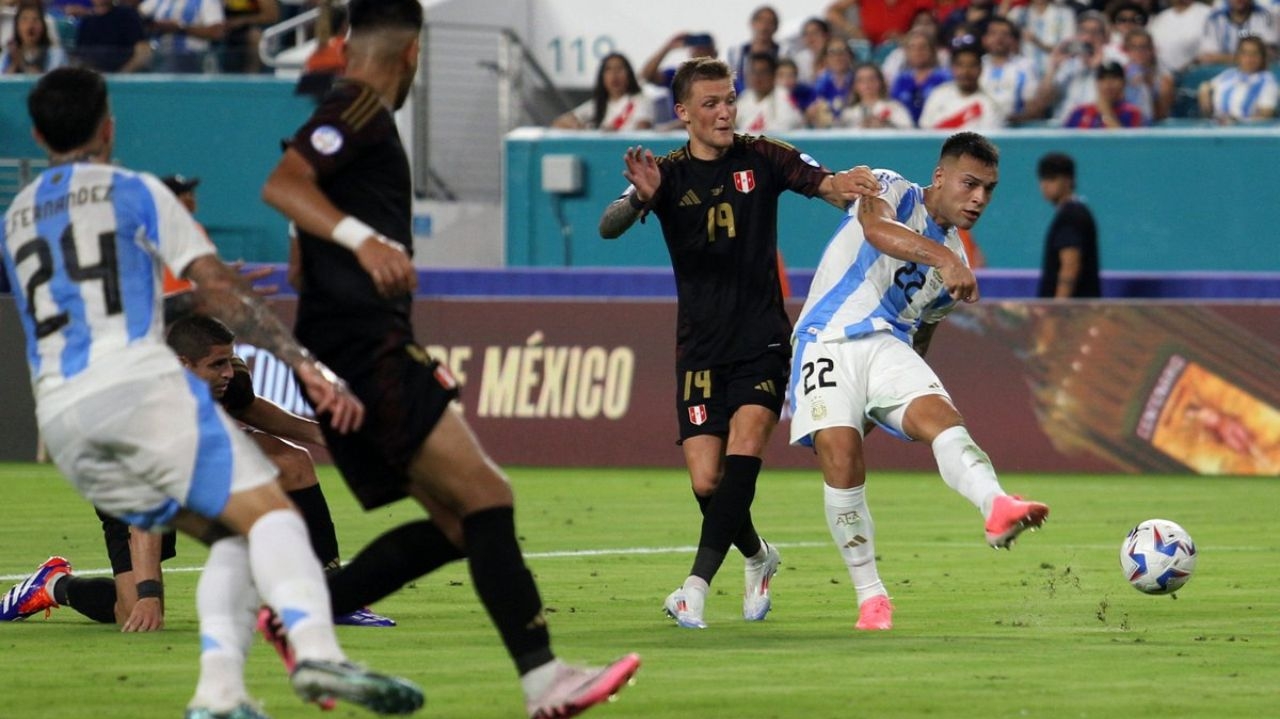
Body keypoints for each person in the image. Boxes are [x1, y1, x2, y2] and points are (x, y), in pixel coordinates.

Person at [0, 66, 421, 718]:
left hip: (59, 414)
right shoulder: (136, 191)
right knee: (271, 515)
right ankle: (316, 655)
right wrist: (301, 361)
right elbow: (218, 287)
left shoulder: (18, 212)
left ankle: (220, 693)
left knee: (235, 528)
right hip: (133, 390)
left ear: (35, 132)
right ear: (110, 126)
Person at [258, 0, 640, 715]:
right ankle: (544, 679)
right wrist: (363, 242)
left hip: (345, 343)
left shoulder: (354, 114)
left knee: (462, 523)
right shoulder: (362, 108)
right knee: (489, 497)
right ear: (411, 55)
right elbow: (283, 184)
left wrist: (333, 249)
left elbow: (299, 249)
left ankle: (297, 616)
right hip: (368, 344)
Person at [597, 56, 879, 630]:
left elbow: (822, 184)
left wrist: (844, 186)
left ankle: (693, 589)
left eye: (729, 99)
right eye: (711, 103)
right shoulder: (667, 174)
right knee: (707, 482)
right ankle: (758, 556)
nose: (725, 111)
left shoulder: (764, 155)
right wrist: (636, 200)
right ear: (683, 113)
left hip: (763, 341)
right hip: (699, 349)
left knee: (743, 450)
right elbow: (608, 225)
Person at [788, 132, 1051, 632]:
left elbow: (923, 332)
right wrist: (946, 258)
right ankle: (871, 598)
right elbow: (875, 231)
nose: (979, 199)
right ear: (940, 177)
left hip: (887, 346)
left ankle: (997, 506)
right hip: (826, 339)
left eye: (989, 189)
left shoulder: (954, 266)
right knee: (842, 460)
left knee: (942, 418)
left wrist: (904, 393)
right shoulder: (893, 187)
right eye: (970, 184)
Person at [1035, 152, 1100, 298]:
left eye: (1052, 178)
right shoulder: (1074, 212)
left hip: (1072, 315)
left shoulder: (1071, 215)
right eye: (1042, 178)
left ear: (1068, 180)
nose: (1045, 185)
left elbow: (1070, 265)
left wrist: (1059, 310)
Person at [551, 52, 654, 131]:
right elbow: (558, 123)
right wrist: (579, 128)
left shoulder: (640, 100)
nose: (614, 75)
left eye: (619, 69)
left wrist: (616, 133)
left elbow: (643, 129)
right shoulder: (597, 105)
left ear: (629, 75)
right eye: (609, 70)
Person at [919, 43, 1006, 129]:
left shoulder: (990, 104)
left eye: (972, 66)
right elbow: (925, 129)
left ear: (981, 69)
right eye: (960, 65)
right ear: (952, 68)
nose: (965, 71)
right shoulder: (938, 94)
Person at [1197, 35, 1278, 122]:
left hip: (1246, 132)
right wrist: (1204, 90)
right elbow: (1206, 86)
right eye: (1244, 53)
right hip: (1216, 127)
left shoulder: (1267, 81)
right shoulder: (1229, 74)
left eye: (1254, 53)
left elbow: (1264, 116)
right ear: (1238, 55)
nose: (1249, 58)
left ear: (1262, 57)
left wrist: (1237, 122)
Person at [979, 16, 1040, 123]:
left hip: (1013, 129)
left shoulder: (1025, 66)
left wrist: (1011, 120)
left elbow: (1032, 108)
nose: (999, 38)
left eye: (1005, 34)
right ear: (985, 39)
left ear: (1013, 40)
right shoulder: (977, 65)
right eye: (993, 33)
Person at [138, 0, 225, 73]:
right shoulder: (158, 1)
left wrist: (180, 28)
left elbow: (217, 32)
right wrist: (153, 25)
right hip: (160, 56)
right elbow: (137, 15)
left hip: (194, 58)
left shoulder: (206, 1)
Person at [888, 27, 952, 125]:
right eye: (912, 47)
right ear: (906, 52)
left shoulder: (946, 77)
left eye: (923, 47)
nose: (917, 52)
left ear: (932, 50)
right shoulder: (900, 79)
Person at [73, 0, 152, 73]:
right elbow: (80, 56)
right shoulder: (87, 21)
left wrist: (121, 75)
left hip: (125, 75)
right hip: (95, 76)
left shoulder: (128, 15)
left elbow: (143, 51)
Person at [735, 50, 805, 132]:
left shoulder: (784, 97)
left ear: (773, 75)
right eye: (753, 72)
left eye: (763, 72)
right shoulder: (745, 98)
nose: (757, 77)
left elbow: (784, 130)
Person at [1063, 60, 1146, 127]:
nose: (1108, 83)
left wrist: (1106, 112)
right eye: (1103, 78)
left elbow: (1127, 145)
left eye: (1114, 78)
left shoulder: (1133, 113)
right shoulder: (1080, 112)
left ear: (1123, 83)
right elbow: (1064, 144)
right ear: (1096, 83)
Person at [835, 61, 915, 128]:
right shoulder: (848, 113)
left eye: (871, 79)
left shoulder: (894, 107)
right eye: (861, 80)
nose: (867, 84)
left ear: (880, 82)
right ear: (855, 86)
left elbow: (908, 130)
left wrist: (886, 124)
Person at [1197, 0, 1277, 66]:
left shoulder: (1265, 16)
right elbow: (1208, 58)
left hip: (1257, 73)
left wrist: (1223, 58)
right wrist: (1250, 57)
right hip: (1221, 72)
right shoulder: (1214, 19)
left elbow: (1269, 54)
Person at [1121, 27, 1174, 122]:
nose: (1139, 52)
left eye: (1143, 47)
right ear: (1127, 50)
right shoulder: (1119, 76)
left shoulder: (1164, 80)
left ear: (1152, 50)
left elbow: (1161, 116)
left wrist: (1150, 87)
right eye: (1134, 47)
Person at [0, 0, 66, 74]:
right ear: (17, 26)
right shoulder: (7, 55)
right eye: (24, 20)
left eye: (35, 20)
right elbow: (3, 81)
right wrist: (14, 63)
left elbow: (50, 81)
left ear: (43, 26)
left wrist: (22, 64)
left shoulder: (55, 54)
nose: (30, 26)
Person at [726, 4, 781, 93]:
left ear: (776, 27)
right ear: (752, 23)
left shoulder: (783, 53)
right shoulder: (737, 53)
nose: (764, 27)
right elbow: (731, 80)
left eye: (770, 22)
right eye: (761, 21)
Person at [1148, 0, 1212, 74]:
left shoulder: (1208, 14)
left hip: (1194, 76)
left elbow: (1210, 55)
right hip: (1161, 77)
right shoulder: (1161, 17)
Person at [220, 0, 278, 73]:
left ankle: (253, 78)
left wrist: (242, 20)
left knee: (255, 37)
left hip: (250, 27)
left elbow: (272, 15)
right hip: (224, 27)